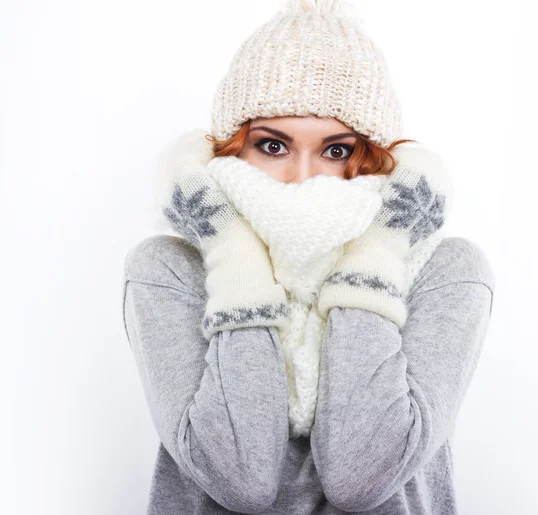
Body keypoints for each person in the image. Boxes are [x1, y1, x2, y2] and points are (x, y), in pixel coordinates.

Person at [121, 1, 495, 513]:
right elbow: (240, 479)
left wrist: (379, 251)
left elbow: (360, 476)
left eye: (336, 151)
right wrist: (234, 258)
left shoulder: (442, 270)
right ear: (231, 150)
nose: (302, 177)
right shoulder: (170, 269)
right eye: (272, 147)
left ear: (373, 157)